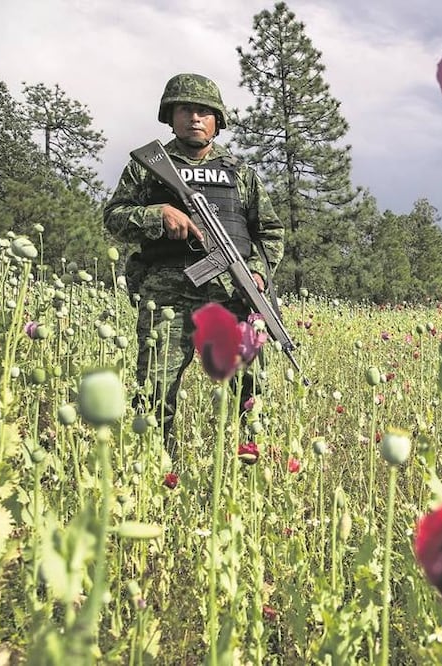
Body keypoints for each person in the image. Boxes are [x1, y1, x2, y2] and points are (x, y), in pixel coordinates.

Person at [104, 73, 284, 463]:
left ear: (217, 120)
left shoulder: (241, 175)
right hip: (167, 299)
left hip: (232, 297)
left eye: (204, 111)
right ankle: (154, 470)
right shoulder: (147, 168)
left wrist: (255, 271)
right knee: (156, 388)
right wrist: (158, 214)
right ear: (171, 116)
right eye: (186, 110)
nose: (195, 118)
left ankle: (246, 474)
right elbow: (114, 218)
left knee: (248, 389)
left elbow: (269, 231)